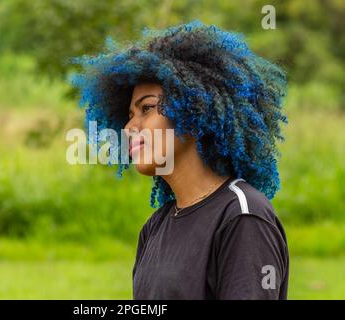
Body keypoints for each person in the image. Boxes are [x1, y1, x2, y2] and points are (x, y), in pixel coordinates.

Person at [71, 20, 289, 299]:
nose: (128, 128)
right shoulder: (155, 226)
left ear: (194, 110)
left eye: (146, 108)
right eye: (128, 116)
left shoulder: (243, 216)